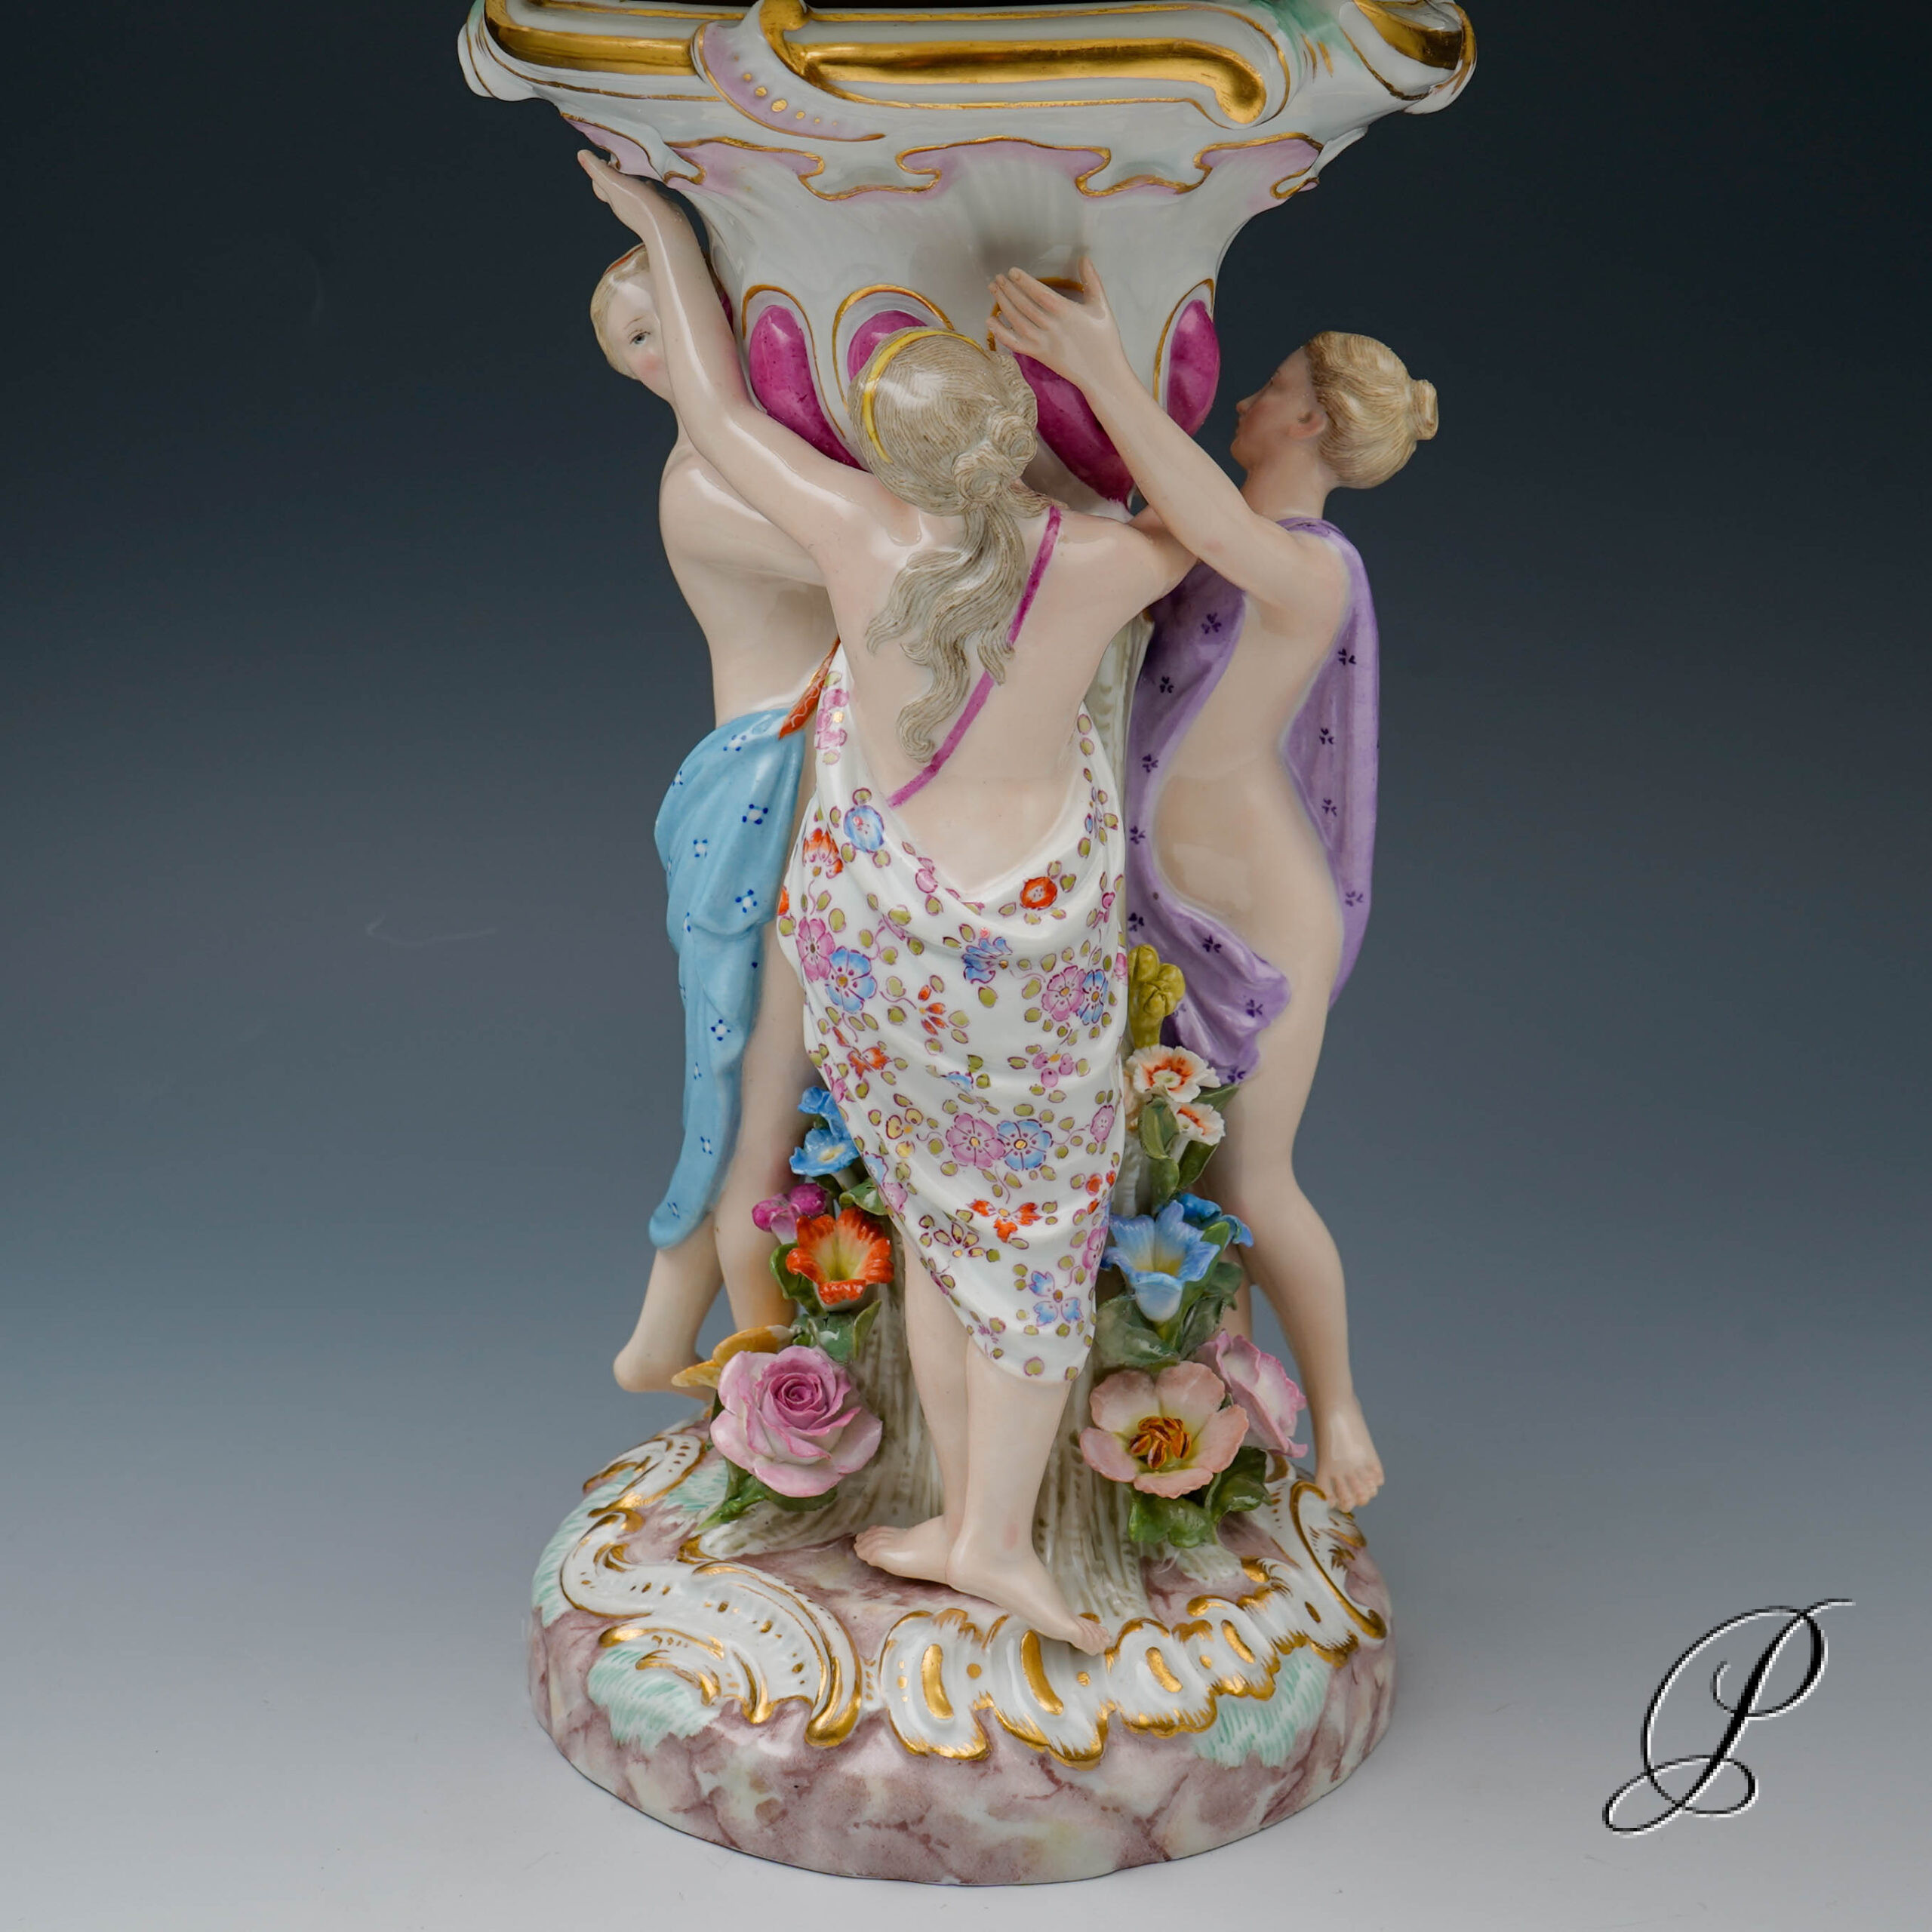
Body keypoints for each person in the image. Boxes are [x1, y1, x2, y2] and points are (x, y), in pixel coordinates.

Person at [582, 153, 1192, 1650]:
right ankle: (994, 1534)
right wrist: (1109, 376)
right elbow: (1202, 522)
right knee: (1031, 1243)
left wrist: (662, 230)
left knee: (930, 1219)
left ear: (887, 448)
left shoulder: (853, 529)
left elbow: (716, 411)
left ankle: (955, 1530)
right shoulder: (1101, 560)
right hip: (1025, 947)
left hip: (880, 934)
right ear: (1013, 434)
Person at [989, 261, 1440, 1512]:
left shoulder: (1312, 564)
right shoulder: (1199, 530)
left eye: (1274, 388)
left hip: (1258, 912)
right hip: (1157, 894)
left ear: (1312, 422)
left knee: (1252, 1178)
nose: (1247, 398)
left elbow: (1211, 520)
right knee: (1171, 1178)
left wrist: (1098, 365)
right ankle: (1204, 1413)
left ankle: (1339, 1407)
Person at [589, 245, 839, 1394]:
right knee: (750, 1082)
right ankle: (766, 1394)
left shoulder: (762, 461)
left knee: (766, 1077)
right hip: (769, 787)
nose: (668, 348)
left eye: (677, 318)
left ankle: (663, 1344)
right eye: (637, 337)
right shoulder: (705, 482)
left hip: (815, 772)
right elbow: (867, 563)